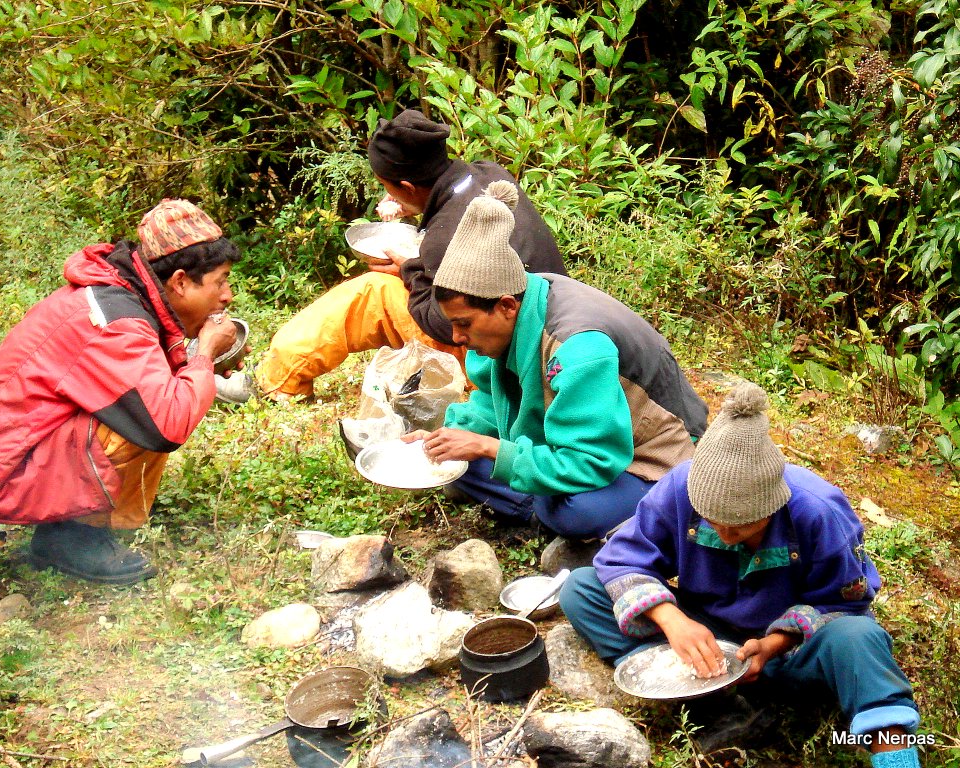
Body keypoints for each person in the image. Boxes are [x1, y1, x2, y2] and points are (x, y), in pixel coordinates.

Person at [559, 382, 923, 766]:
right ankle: (715, 698)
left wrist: (775, 644)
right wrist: (672, 620)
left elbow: (843, 603)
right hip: (713, 639)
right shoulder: (681, 486)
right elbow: (622, 559)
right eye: (712, 521)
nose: (725, 533)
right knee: (581, 590)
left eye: (742, 526)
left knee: (859, 638)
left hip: (791, 651)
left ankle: (896, 759)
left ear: (773, 502)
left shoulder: (818, 511)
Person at [0, 199, 242, 585]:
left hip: (25, 453)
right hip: (7, 476)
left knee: (154, 398)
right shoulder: (114, 322)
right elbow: (167, 425)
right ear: (179, 281)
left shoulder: (122, 296)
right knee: (148, 417)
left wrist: (200, 362)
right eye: (220, 281)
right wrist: (203, 354)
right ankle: (73, 538)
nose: (227, 295)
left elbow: (144, 372)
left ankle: (70, 526)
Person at [410, 180, 708, 541]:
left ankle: (542, 508)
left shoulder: (577, 347)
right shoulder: (513, 310)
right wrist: (450, 436)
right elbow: (492, 401)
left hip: (649, 454)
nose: (456, 338)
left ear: (506, 305)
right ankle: (536, 496)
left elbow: (591, 460)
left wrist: (490, 448)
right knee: (457, 463)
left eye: (464, 324)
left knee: (576, 512)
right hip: (579, 445)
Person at [255, 108, 567, 400]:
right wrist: (416, 208)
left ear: (407, 185)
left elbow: (448, 323)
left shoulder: (443, 235)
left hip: (505, 355)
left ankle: (281, 381)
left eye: (389, 188)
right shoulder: (488, 175)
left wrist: (411, 271)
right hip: (551, 326)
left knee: (371, 292)